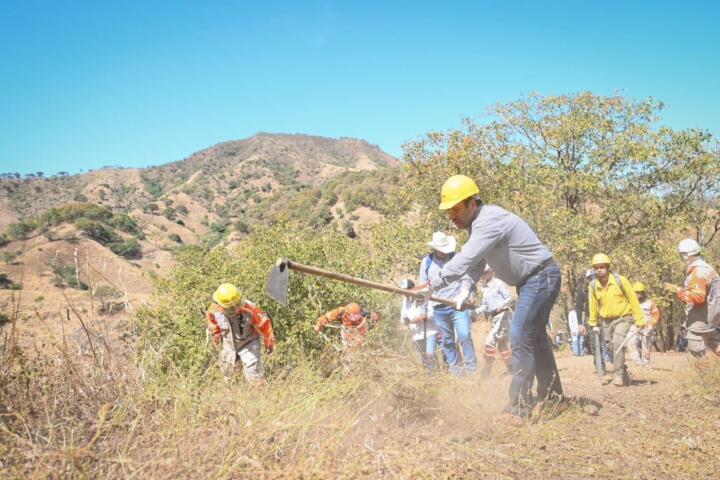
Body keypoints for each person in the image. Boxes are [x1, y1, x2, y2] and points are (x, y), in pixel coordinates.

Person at [421, 175, 563, 420]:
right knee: (535, 338)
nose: (451, 216)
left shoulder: (489, 221)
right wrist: (466, 288)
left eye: (455, 209)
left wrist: (432, 285)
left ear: (472, 204)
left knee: (519, 337)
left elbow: (465, 259)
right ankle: (554, 399)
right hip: (533, 280)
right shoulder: (480, 225)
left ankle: (519, 408)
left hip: (540, 277)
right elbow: (476, 265)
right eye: (449, 211)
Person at [419, 231, 477, 375]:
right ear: (435, 248)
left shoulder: (456, 258)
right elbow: (423, 287)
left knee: (464, 335)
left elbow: (468, 276)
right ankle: (456, 372)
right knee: (448, 341)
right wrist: (423, 310)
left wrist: (472, 293)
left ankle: (471, 372)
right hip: (439, 308)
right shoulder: (426, 263)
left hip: (458, 304)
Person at [587, 253, 645, 387]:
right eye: (596, 267)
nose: (599, 270)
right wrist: (593, 322)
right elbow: (593, 305)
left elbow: (633, 299)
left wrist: (639, 319)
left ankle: (618, 375)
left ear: (608, 267)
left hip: (623, 317)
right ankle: (623, 372)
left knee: (617, 342)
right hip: (606, 321)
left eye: (602, 267)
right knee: (609, 346)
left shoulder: (621, 280)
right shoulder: (593, 285)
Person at [663, 239, 720, 368]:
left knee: (696, 347)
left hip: (701, 319)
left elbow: (698, 297)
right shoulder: (709, 269)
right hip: (713, 317)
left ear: (685, 254)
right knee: (716, 344)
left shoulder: (698, 272)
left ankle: (706, 380)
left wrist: (679, 291)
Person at [206, 283, 275, 383]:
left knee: (252, 373)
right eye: (230, 307)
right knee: (229, 377)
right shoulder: (213, 310)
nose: (234, 308)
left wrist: (270, 345)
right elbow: (212, 324)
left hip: (249, 344)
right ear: (219, 304)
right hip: (228, 346)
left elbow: (265, 325)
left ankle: (261, 394)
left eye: (236, 305)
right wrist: (216, 337)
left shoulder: (249, 308)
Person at [476, 265, 514, 375]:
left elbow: (509, 298)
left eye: (485, 272)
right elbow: (485, 305)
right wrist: (476, 311)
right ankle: (512, 367)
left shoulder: (498, 283)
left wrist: (501, 305)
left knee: (490, 342)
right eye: (482, 273)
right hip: (493, 318)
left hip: (503, 316)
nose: (484, 275)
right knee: (502, 346)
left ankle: (487, 370)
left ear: (491, 272)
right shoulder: (484, 287)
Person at [399, 279, 438, 369]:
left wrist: (420, 318)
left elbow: (432, 314)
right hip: (416, 334)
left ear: (413, 288)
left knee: (430, 354)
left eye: (407, 290)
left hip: (429, 331)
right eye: (403, 290)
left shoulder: (423, 296)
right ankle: (428, 377)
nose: (405, 293)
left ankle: (435, 374)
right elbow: (403, 318)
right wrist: (404, 323)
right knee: (422, 358)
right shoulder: (405, 301)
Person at [314, 302, 381, 350]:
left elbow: (377, 316)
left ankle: (358, 349)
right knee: (349, 342)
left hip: (360, 328)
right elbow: (325, 317)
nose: (353, 320)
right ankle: (349, 350)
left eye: (356, 318)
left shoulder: (364, 314)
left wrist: (375, 318)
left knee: (361, 341)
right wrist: (318, 325)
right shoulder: (340, 311)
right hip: (346, 330)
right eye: (351, 318)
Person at [632, 281, 660, 366]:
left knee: (646, 346)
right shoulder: (632, 303)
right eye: (634, 293)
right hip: (635, 326)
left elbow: (656, 315)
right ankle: (637, 362)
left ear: (642, 293)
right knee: (631, 343)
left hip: (647, 328)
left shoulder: (650, 303)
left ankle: (646, 362)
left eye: (637, 293)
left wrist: (651, 326)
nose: (635, 295)